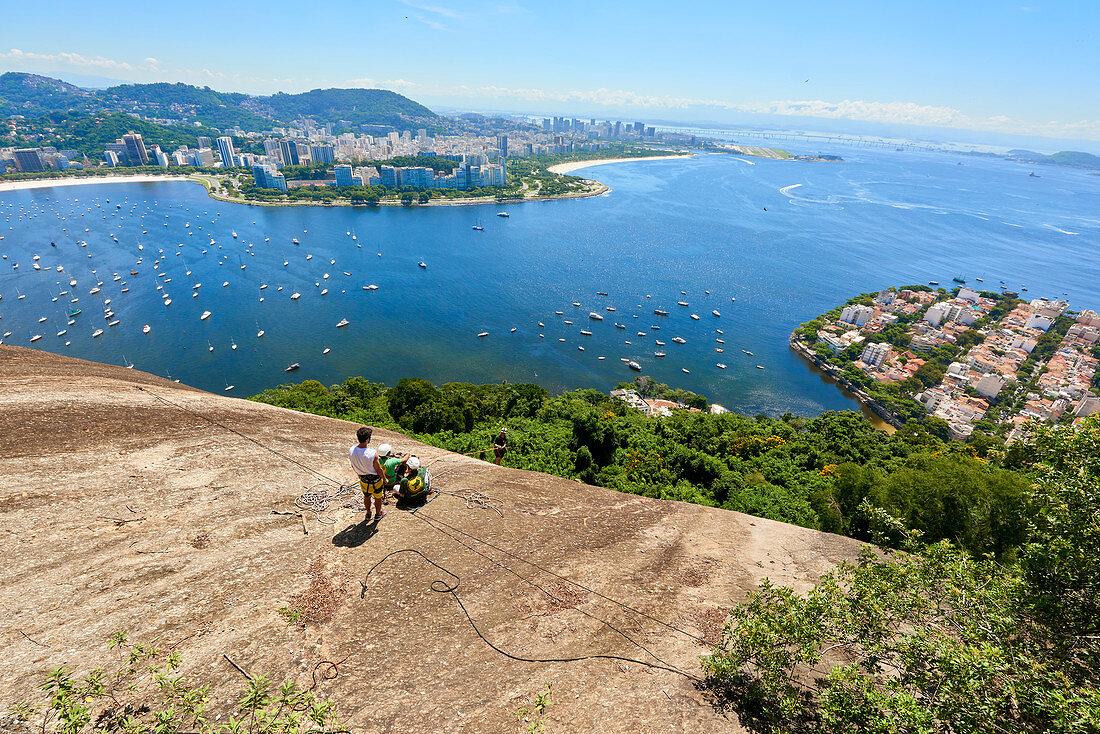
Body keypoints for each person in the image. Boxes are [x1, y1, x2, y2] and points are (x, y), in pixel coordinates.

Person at [349, 426, 386, 522]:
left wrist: (359, 473)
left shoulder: (352, 450)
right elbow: (379, 470)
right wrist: (385, 479)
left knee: (367, 496)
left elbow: (353, 465)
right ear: (368, 439)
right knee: (378, 498)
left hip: (363, 480)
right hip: (376, 480)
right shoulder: (373, 453)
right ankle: (378, 514)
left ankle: (368, 512)